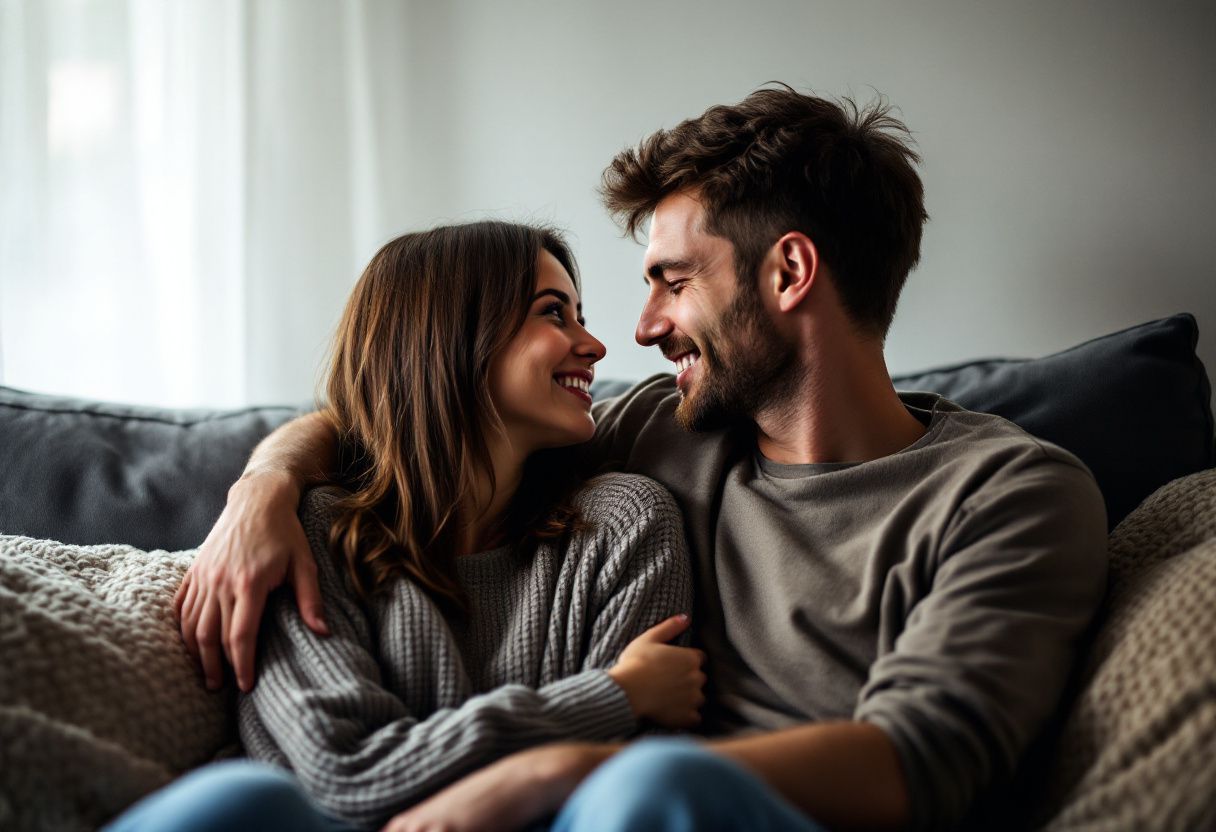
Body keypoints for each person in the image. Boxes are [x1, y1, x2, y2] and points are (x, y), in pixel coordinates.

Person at [179, 87, 1108, 832]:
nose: (640, 329)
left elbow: (924, 757)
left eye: (674, 281)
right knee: (237, 805)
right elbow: (401, 423)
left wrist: (562, 766)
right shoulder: (662, 431)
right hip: (610, 798)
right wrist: (264, 484)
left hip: (682, 801)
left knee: (653, 790)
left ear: (789, 274)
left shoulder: (1014, 493)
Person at [109, 222, 703, 831]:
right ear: (448, 337)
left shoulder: (625, 524)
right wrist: (608, 696)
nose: (596, 346)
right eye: (555, 314)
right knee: (237, 801)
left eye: (580, 316)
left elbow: (622, 786)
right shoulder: (313, 534)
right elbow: (346, 775)